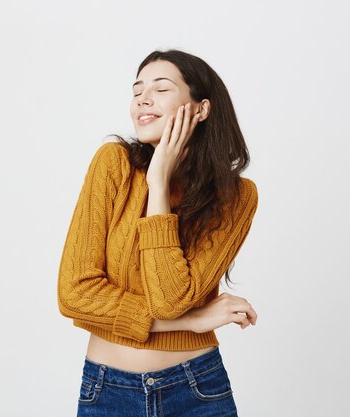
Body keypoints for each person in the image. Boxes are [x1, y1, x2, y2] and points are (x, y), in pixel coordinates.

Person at [57, 49, 259, 416]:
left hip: (197, 390)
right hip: (108, 391)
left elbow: (168, 298)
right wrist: (191, 321)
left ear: (200, 109)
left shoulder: (236, 196)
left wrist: (160, 184)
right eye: (137, 92)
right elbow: (74, 294)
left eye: (160, 89)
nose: (142, 100)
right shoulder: (113, 163)